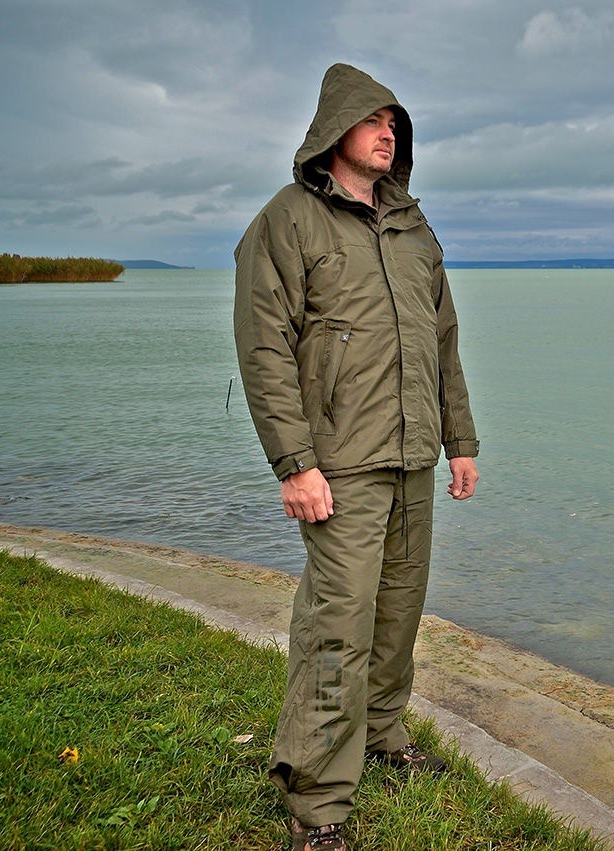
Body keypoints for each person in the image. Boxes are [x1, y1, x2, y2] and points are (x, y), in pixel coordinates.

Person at [233, 62, 480, 851]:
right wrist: (294, 462)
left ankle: (383, 734)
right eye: (373, 119)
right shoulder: (289, 221)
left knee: (399, 614)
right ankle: (317, 801)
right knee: (337, 625)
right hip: (337, 462)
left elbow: (442, 340)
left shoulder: (412, 228)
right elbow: (264, 348)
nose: (388, 132)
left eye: (395, 122)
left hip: (412, 455)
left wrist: (460, 440)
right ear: (335, 126)